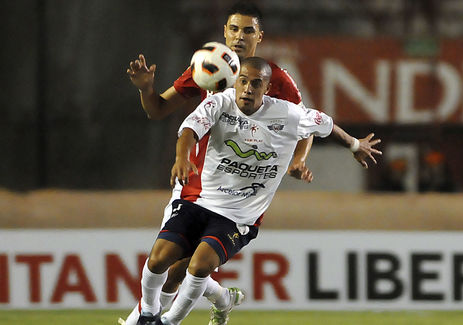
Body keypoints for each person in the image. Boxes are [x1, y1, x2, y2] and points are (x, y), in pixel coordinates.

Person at [135, 57, 381, 325]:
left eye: (256, 84)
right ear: (235, 82)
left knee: (197, 267)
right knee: (159, 259)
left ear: (266, 88)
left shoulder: (288, 114)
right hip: (200, 201)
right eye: (243, 81)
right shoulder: (220, 101)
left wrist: (355, 146)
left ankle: (168, 322)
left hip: (238, 217)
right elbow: (189, 130)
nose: (248, 88)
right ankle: (149, 313)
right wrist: (182, 158)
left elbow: (327, 124)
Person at [122, 2, 314, 324]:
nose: (240, 37)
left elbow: (306, 123)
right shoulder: (206, 67)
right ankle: (208, 302)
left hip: (239, 195)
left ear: (259, 36)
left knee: (186, 268)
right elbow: (156, 110)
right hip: (196, 187)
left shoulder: (274, 78)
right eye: (234, 29)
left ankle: (167, 314)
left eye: (248, 30)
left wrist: (298, 160)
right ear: (224, 32)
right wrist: (146, 90)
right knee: (174, 266)